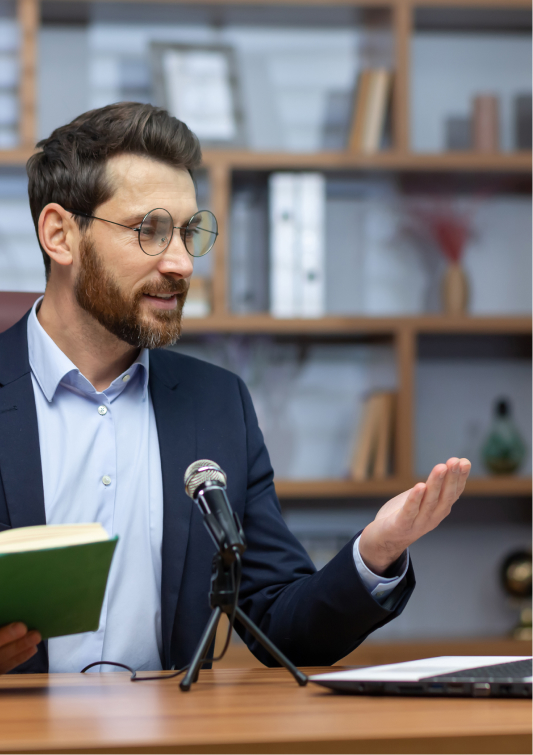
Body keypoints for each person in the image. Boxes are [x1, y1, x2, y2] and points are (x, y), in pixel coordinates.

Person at [0, 103, 471, 676]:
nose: (182, 264)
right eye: (149, 231)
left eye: (188, 232)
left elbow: (282, 623)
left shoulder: (217, 405)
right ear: (60, 235)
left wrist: (376, 551)